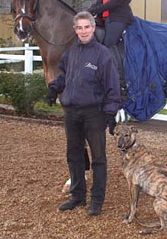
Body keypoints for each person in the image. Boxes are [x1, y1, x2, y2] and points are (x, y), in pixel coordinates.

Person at [46, 11, 121, 216]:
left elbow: (113, 87)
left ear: (93, 27)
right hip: (72, 113)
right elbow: (64, 77)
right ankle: (77, 196)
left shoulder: (103, 55)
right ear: (75, 30)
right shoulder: (71, 53)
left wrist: (110, 113)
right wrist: (54, 88)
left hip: (93, 113)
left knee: (98, 158)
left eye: (86, 27)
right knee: (74, 155)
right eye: (79, 28)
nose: (83, 31)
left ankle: (97, 200)